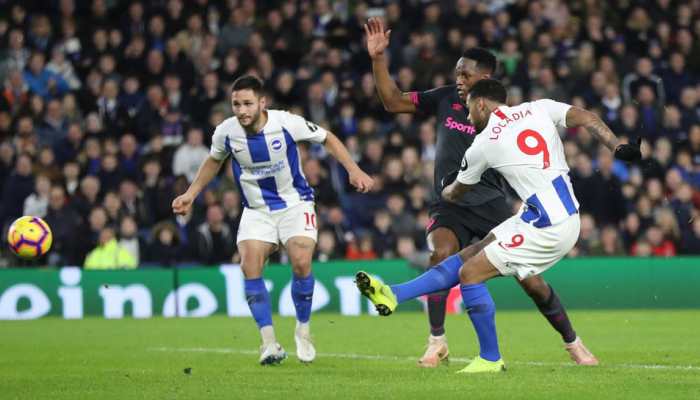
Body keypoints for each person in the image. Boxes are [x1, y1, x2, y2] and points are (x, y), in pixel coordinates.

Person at [356, 79, 642, 373]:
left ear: (481, 104)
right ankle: (393, 294)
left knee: (470, 274)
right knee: (470, 255)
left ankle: (490, 359)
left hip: (548, 226)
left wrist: (445, 187)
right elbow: (588, 118)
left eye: (469, 109)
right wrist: (616, 145)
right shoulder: (538, 108)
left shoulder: (485, 142)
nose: (467, 117)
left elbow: (456, 193)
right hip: (552, 214)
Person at [364, 18, 587, 367]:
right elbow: (392, 102)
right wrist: (378, 59)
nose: (458, 81)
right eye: (456, 74)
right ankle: (437, 341)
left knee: (530, 280)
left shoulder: (504, 112)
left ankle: (573, 342)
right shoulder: (444, 99)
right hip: (450, 203)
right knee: (440, 255)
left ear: (484, 79)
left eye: (465, 76)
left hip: (489, 202)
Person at [172, 75, 374, 365]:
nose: (241, 110)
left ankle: (303, 330)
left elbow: (327, 137)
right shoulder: (226, 132)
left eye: (248, 104)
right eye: (236, 104)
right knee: (249, 264)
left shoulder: (286, 122)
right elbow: (214, 161)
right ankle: (269, 343)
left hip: (295, 203)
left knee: (302, 261)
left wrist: (353, 170)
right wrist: (191, 194)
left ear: (262, 103)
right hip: (257, 210)